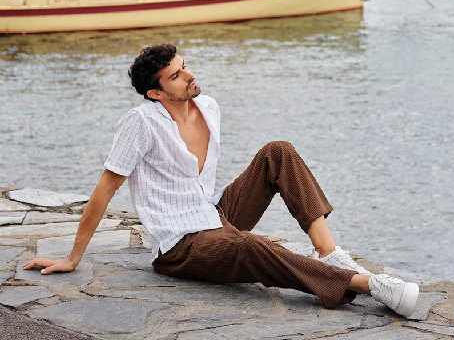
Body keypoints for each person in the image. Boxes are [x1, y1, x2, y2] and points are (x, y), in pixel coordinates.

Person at [24, 44, 419, 317]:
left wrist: (221, 214)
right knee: (249, 246)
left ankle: (330, 254)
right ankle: (365, 284)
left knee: (276, 151)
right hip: (180, 246)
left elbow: (215, 188)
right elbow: (105, 190)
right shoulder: (140, 124)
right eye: (177, 76)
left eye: (185, 66)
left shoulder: (208, 106)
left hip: (214, 214)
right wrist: (73, 257)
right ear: (156, 93)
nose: (189, 76)